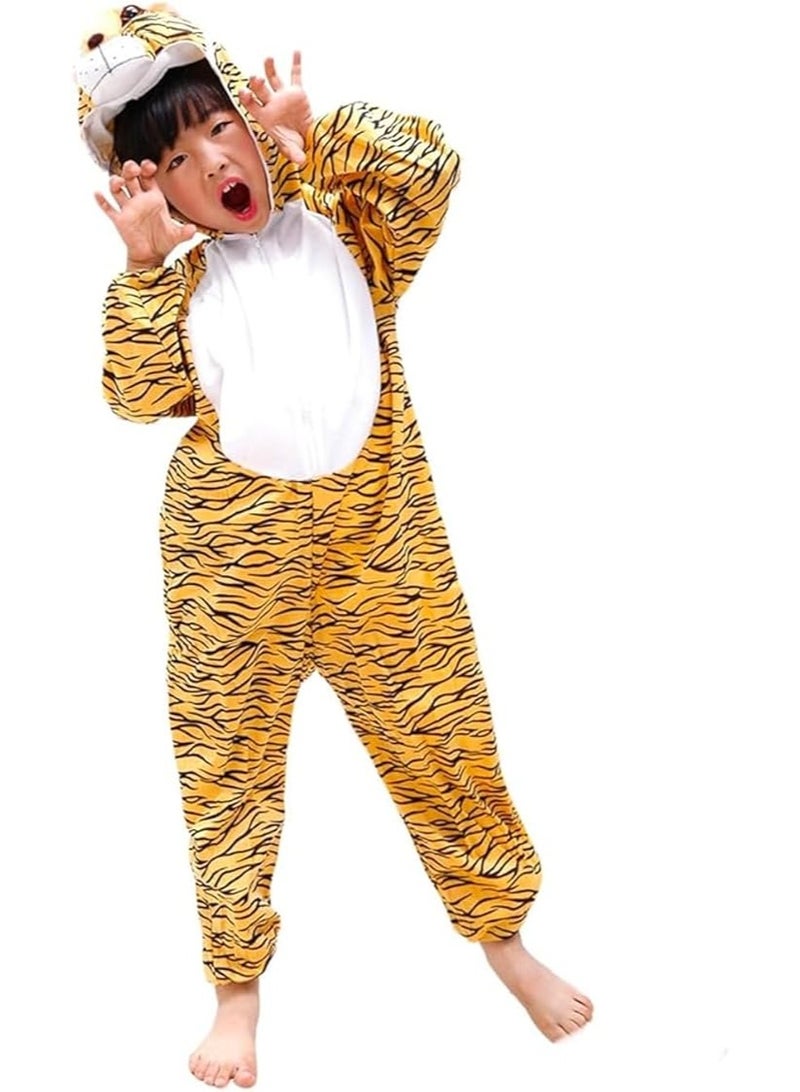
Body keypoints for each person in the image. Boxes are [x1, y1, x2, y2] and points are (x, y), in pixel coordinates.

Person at [76, 5, 593, 1087]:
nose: (214, 163)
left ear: (250, 122)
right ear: (158, 192)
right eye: (177, 161)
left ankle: (505, 940)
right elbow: (136, 397)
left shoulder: (349, 229)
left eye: (220, 127)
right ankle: (235, 995)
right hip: (231, 564)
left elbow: (434, 169)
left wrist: (319, 134)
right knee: (225, 772)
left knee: (444, 736)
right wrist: (142, 269)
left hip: (378, 544)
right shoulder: (179, 285)